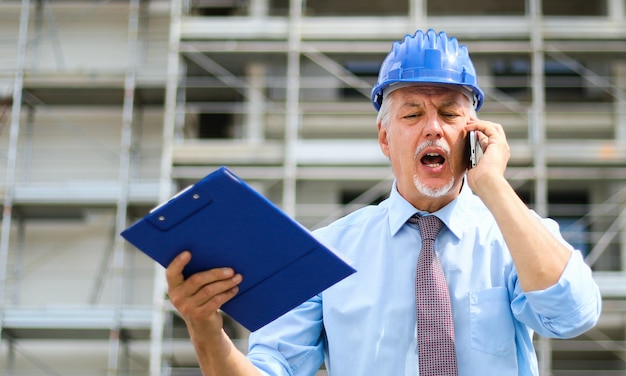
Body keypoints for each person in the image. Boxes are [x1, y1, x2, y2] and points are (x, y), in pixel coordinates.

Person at [165, 29, 602, 376]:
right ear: (384, 138)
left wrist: (493, 186)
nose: (433, 128)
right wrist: (205, 329)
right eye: (412, 114)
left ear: (474, 134)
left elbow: (572, 314)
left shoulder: (512, 236)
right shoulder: (327, 253)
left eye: (450, 114)